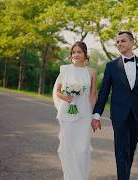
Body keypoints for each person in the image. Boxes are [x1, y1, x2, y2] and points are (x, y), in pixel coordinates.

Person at [91, 31, 138, 180]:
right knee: (121, 152)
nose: (119, 44)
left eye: (123, 41)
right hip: (119, 115)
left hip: (136, 114)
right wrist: (96, 115)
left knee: (130, 151)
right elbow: (103, 93)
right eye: (117, 42)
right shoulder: (111, 66)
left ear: (132, 42)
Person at [53, 41, 97, 180]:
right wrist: (64, 97)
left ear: (85, 54)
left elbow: (92, 94)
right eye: (73, 52)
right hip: (67, 115)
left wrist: (93, 115)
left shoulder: (91, 72)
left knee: (82, 149)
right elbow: (57, 91)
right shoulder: (65, 69)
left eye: (79, 52)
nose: (76, 54)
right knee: (68, 147)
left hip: (84, 115)